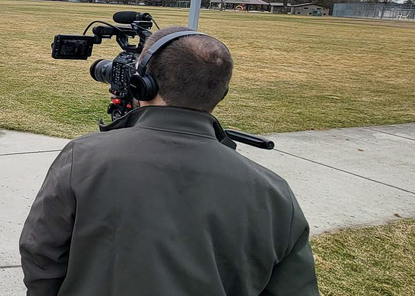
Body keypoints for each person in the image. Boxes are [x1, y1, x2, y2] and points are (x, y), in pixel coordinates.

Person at [19, 26, 320, 296]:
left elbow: (40, 254)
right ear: (222, 92)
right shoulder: (274, 193)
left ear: (142, 84)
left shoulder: (83, 158)